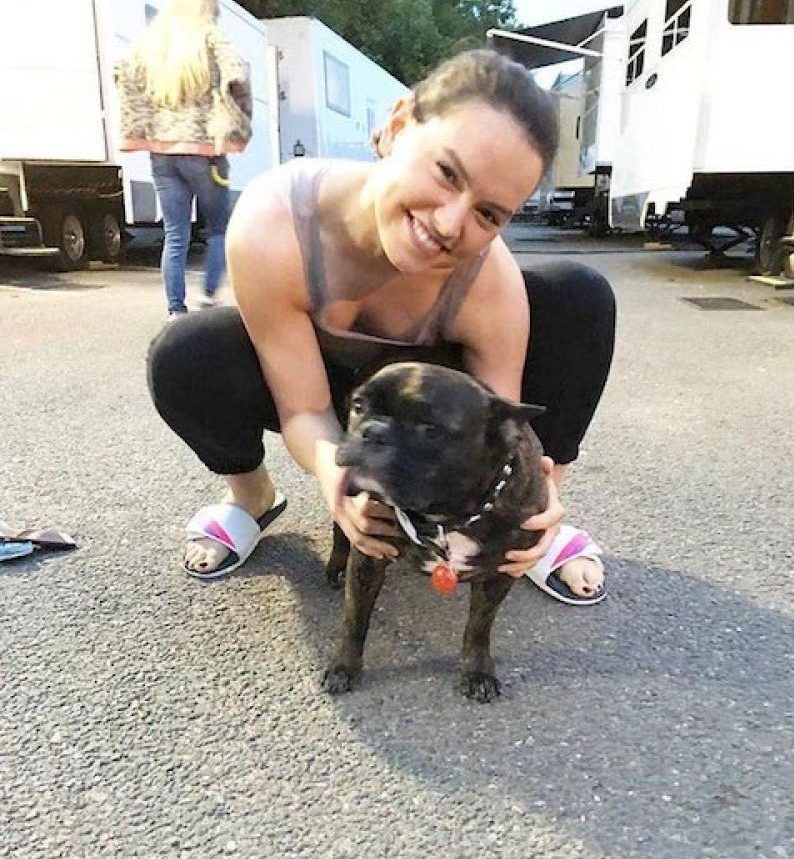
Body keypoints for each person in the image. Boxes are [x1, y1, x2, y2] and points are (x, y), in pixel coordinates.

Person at [147, 49, 615, 604]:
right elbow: (303, 408)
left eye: (488, 214)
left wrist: (531, 493)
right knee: (187, 352)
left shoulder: (490, 280)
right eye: (446, 173)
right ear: (397, 126)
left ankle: (539, 527)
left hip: (429, 409)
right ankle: (252, 497)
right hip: (327, 391)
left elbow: (501, 427)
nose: (450, 224)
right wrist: (336, 479)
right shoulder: (276, 221)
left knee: (576, 297)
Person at [115, 0, 252, 317]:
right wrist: (238, 119)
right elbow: (238, 75)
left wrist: (140, 124)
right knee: (218, 229)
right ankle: (208, 298)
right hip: (205, 152)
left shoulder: (151, 41)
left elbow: (121, 70)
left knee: (175, 235)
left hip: (162, 153)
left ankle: (176, 310)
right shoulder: (211, 36)